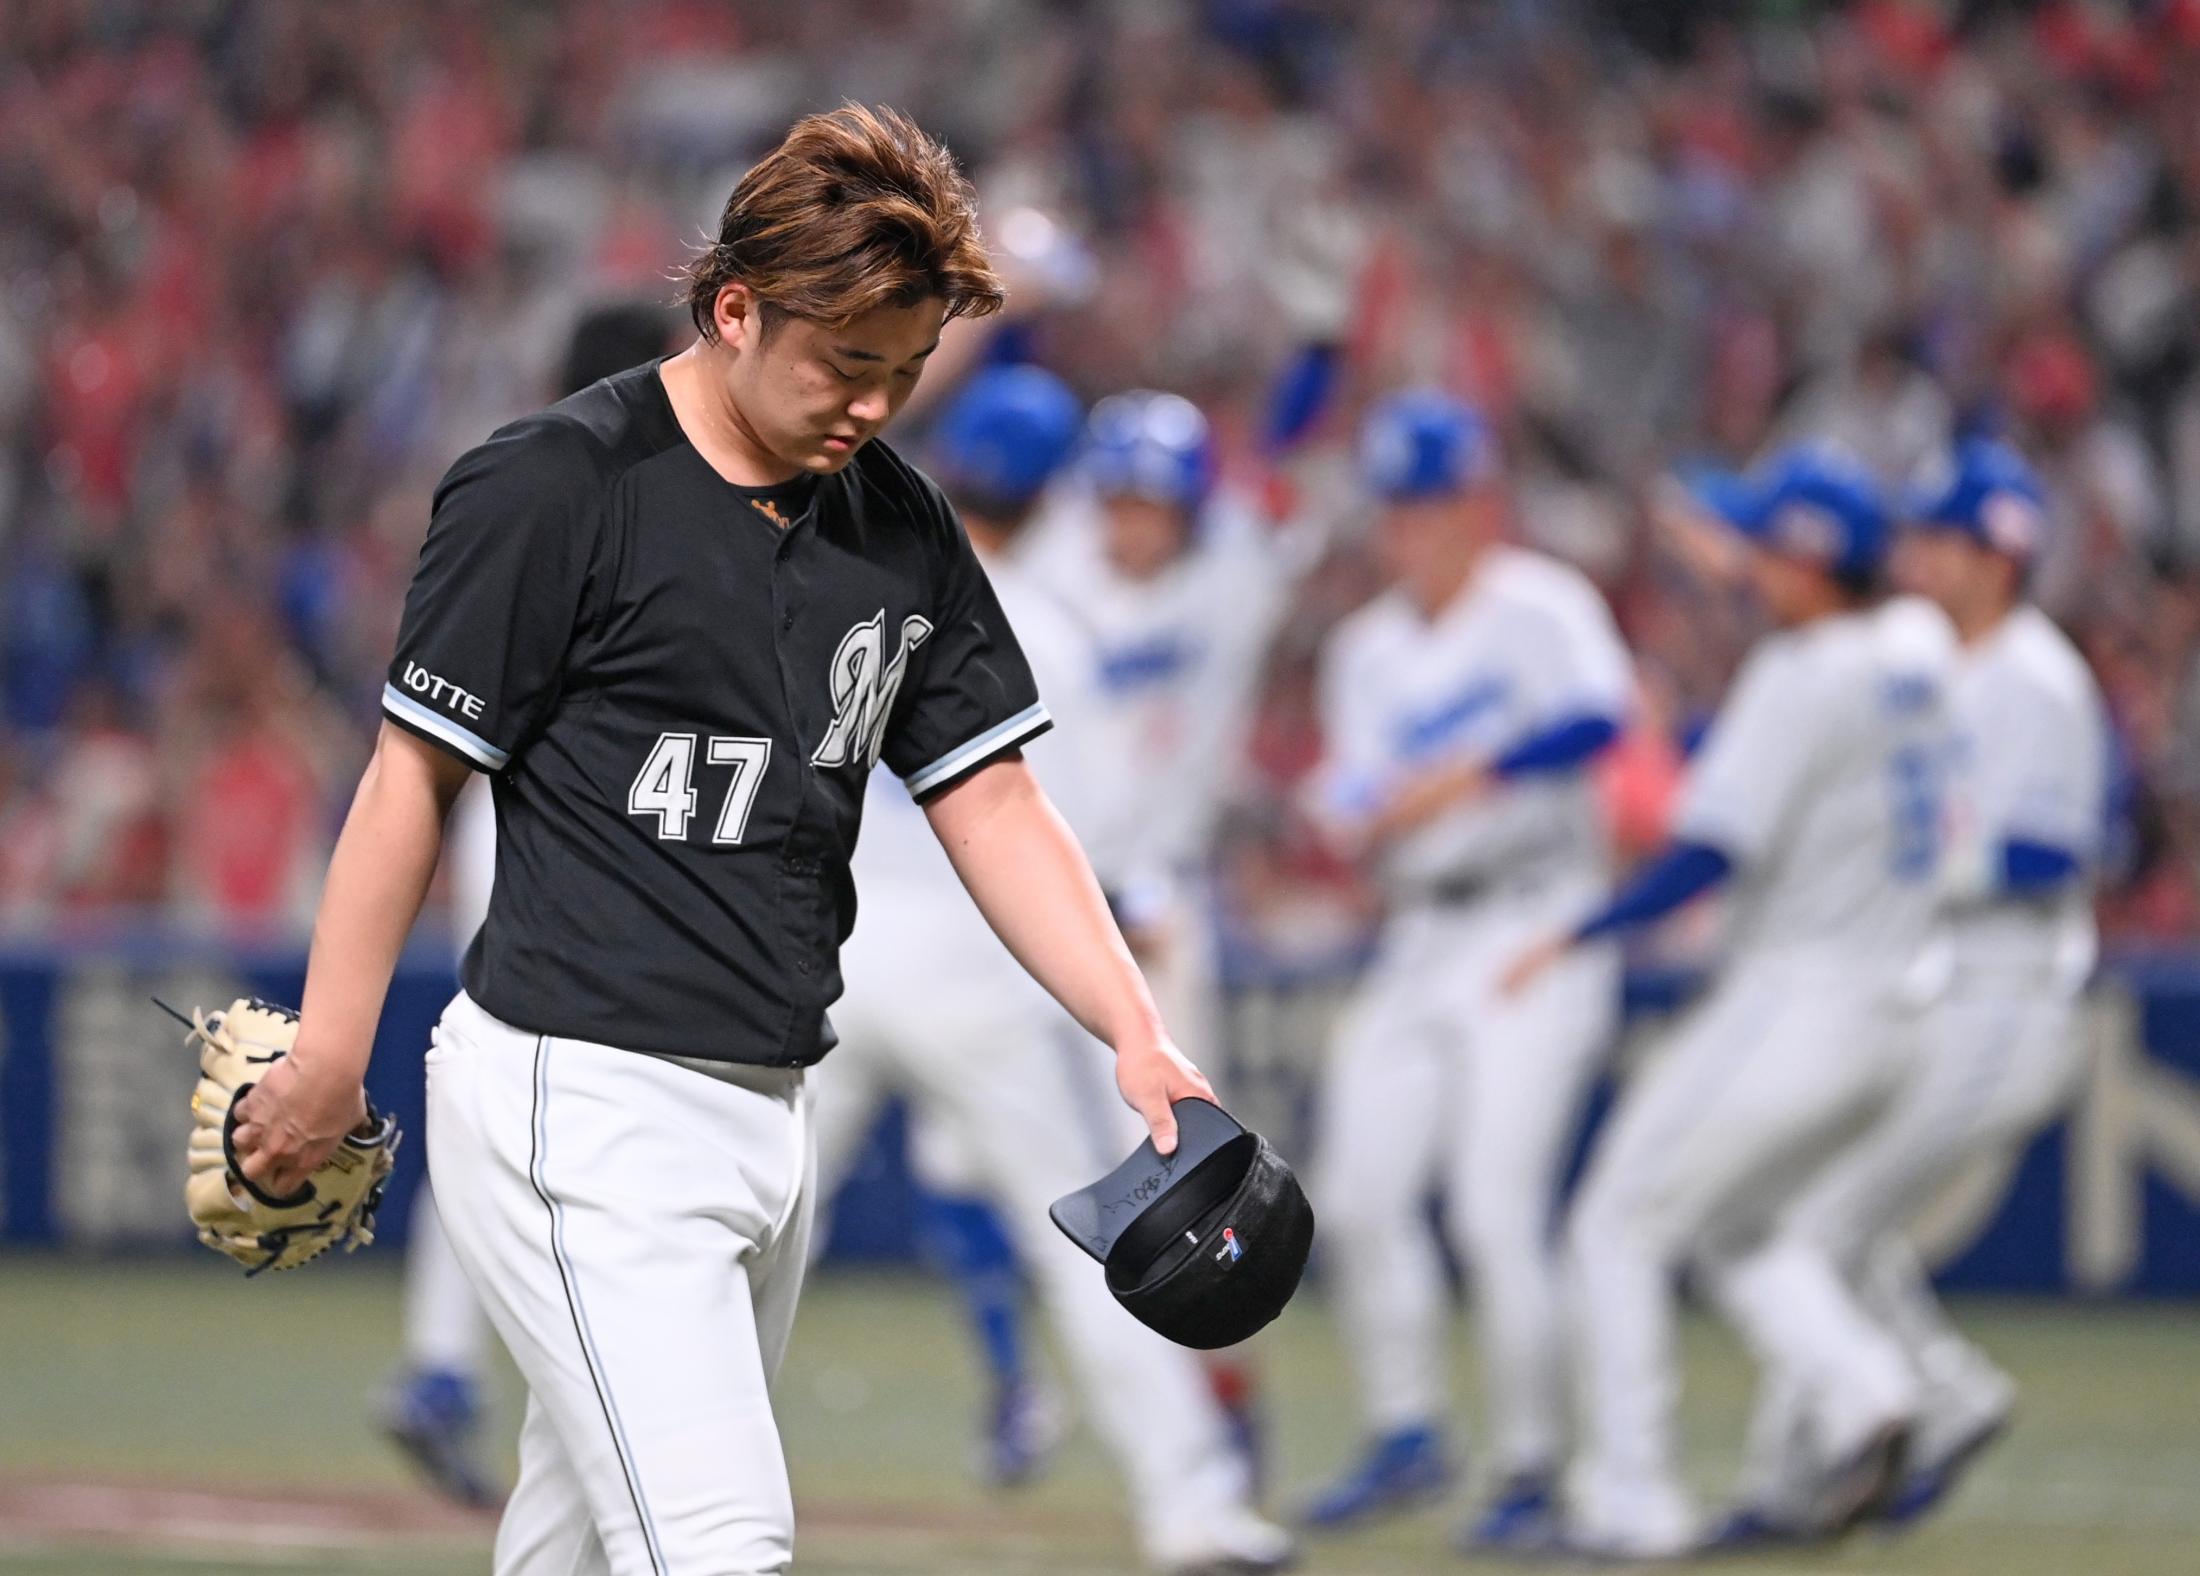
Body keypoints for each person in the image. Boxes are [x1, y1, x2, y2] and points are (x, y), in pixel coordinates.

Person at [225, 106, 1225, 1576]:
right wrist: (329, 1051)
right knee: (719, 1542)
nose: (871, 403)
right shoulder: (555, 484)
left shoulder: (897, 526)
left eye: (904, 370)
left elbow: (995, 798)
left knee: (577, 1546)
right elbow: (409, 779)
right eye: (845, 362)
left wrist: (1133, 1030)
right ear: (734, 307)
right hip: (580, 1098)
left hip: (768, 1107)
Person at [809, 363, 1292, 1570]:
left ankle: (625, 1478)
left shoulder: (845, 587)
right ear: (1052, 495)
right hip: (977, 966)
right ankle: (1192, 1507)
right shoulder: (1052, 636)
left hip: (832, 951)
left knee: (755, 1232)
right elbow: (1097, 853)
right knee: (1099, 1244)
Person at [1503, 446, 1959, 1558]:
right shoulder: (1920, 643)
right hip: (1902, 1007)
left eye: (1768, 548)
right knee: (1742, 1227)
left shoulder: (1798, 676)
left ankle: (1630, 1500)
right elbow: (1826, 622)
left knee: (1615, 1224)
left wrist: (1578, 932)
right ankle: (1865, 1392)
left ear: (1808, 563)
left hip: (1798, 997)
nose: (1750, 561)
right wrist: (1742, 570)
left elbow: (1708, 851)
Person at [1704, 438, 2109, 1544]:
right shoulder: (1925, 663)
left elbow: (2056, 850)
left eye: (1944, 539)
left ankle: (1801, 1481)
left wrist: (1906, 860)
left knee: (1804, 1227)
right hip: (1935, 984)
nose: (1920, 556)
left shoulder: (2035, 678)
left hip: (2003, 988)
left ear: (1999, 557)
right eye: (1919, 535)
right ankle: (1944, 1392)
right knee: (1820, 1210)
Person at [1297, 391, 1632, 1550]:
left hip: (1537, 918)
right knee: (1356, 1194)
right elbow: (1353, 792)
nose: (1416, 527)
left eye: (1435, 502)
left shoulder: (1539, 603)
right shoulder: (1364, 649)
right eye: (1400, 506)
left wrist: (1468, 774)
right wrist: (1352, 815)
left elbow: (1601, 720)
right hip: (1421, 929)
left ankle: (1533, 1466)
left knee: (1494, 1208)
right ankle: (1408, 1432)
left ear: (1479, 505)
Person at [379, 300, 680, 1509]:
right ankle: (512, 1375)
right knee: (567, 1109)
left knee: (500, 1101)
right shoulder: (639, 501)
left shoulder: (523, 483)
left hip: (493, 817)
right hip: (567, 829)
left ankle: (442, 1365)